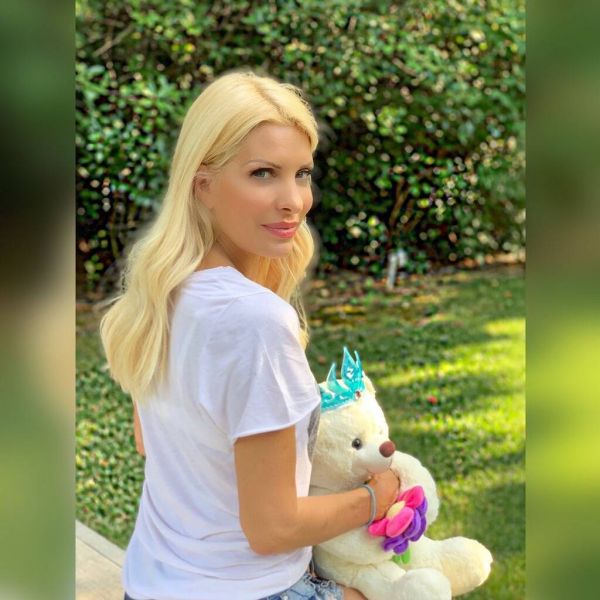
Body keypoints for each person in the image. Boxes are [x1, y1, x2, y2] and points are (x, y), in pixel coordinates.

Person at [99, 70, 401, 600]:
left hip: (151, 585)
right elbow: (273, 528)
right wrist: (379, 495)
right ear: (203, 185)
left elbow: (155, 442)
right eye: (263, 174)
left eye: (301, 174)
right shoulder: (254, 319)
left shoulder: (159, 292)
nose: (294, 201)